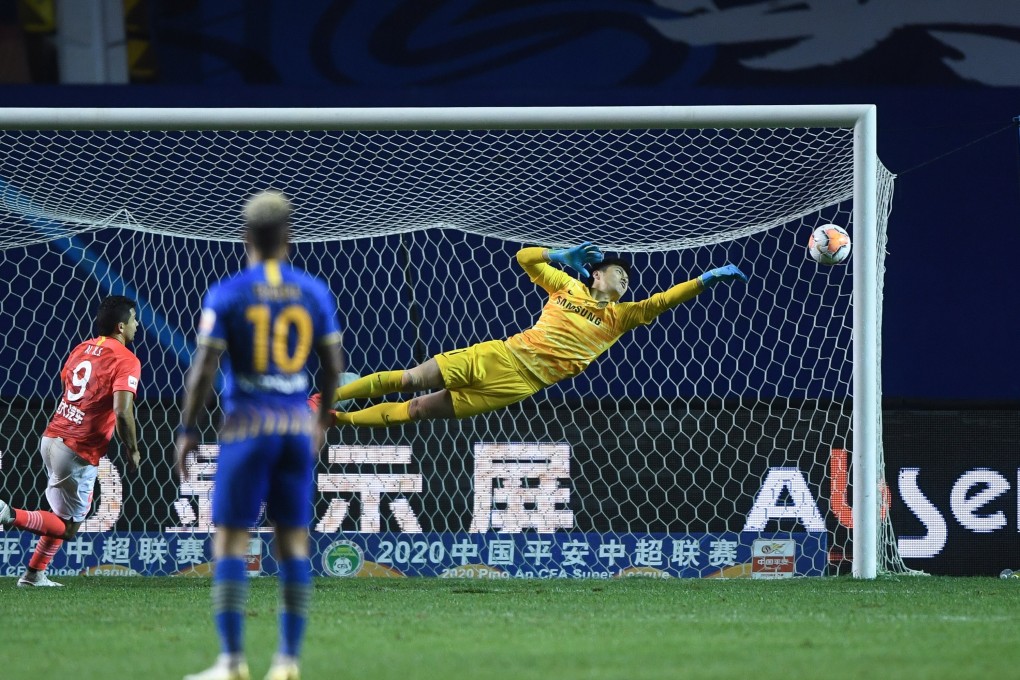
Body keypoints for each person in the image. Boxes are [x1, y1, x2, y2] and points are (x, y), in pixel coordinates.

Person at [175, 190, 343, 680]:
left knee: (230, 539)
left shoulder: (228, 292)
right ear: (289, 238)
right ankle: (287, 661)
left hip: (248, 427)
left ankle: (231, 661)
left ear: (245, 237)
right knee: (293, 542)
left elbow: (204, 366)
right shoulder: (313, 291)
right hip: (294, 428)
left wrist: (187, 429)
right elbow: (333, 365)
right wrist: (320, 418)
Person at [312, 242, 746, 427]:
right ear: (596, 274)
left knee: (421, 409)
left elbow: (663, 300)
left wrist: (704, 280)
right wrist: (556, 254)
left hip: (522, 385)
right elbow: (524, 259)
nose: (625, 281)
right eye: (618, 272)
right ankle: (331, 395)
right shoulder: (567, 285)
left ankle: (338, 419)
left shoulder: (621, 316)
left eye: (628, 279)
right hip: (501, 355)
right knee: (412, 379)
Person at [0, 295, 142, 587]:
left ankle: (34, 574)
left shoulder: (81, 348)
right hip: (78, 449)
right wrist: (133, 448)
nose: (137, 325)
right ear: (120, 326)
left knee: (60, 516)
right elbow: (122, 410)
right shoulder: (126, 359)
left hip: (52, 436)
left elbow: (69, 382)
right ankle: (7, 514)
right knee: (68, 527)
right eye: (134, 320)